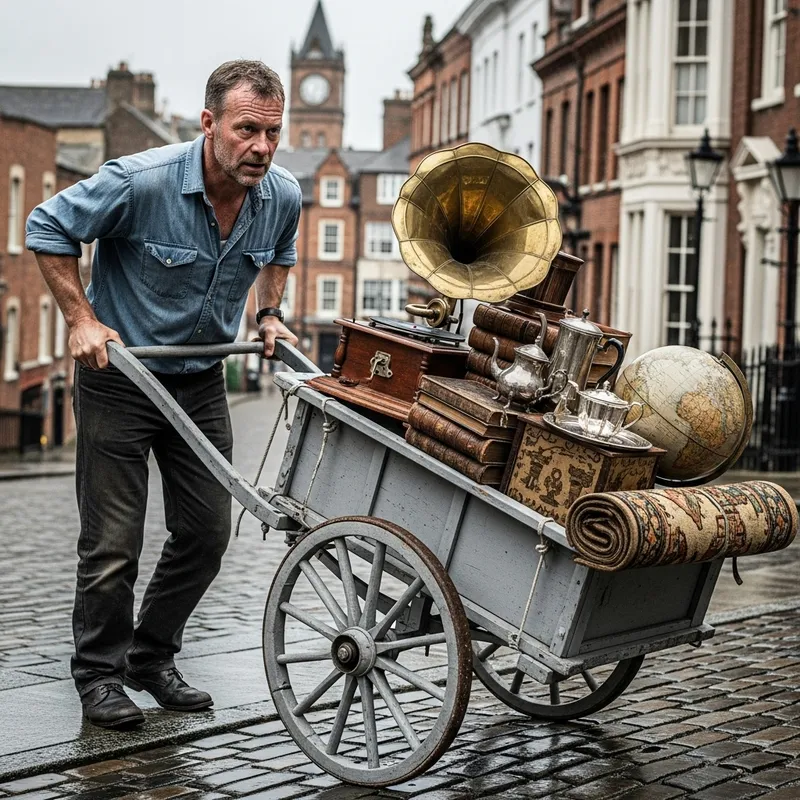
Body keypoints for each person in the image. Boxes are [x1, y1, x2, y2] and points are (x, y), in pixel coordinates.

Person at [25, 60, 300, 730]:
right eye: (246, 131)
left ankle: (150, 656)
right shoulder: (139, 182)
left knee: (207, 531)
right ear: (209, 125)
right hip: (120, 378)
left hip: (201, 379)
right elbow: (46, 226)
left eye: (272, 132)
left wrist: (268, 316)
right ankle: (98, 675)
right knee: (114, 541)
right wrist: (81, 318)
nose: (261, 147)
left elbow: (281, 254)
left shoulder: (282, 194)